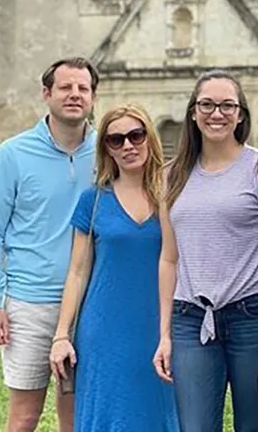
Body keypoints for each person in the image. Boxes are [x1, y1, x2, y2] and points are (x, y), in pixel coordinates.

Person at [152, 70, 258, 432]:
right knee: (195, 426)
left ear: (241, 114)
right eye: (207, 105)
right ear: (193, 113)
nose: (217, 113)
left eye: (228, 105)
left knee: (255, 424)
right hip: (190, 318)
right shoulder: (171, 176)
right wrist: (164, 333)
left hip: (255, 315)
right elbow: (169, 257)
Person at [0, 57, 99, 432]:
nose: (74, 95)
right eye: (65, 87)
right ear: (47, 94)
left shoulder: (108, 152)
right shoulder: (13, 154)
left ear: (93, 97)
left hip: (88, 305)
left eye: (83, 88)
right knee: (24, 417)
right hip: (29, 305)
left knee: (74, 419)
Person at [48, 103, 180, 432]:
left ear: (150, 137)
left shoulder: (174, 195)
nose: (127, 146)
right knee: (109, 417)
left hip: (161, 325)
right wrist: (61, 335)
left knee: (159, 415)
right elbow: (77, 272)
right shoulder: (92, 201)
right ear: (106, 147)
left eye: (135, 135)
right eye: (115, 139)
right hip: (104, 331)